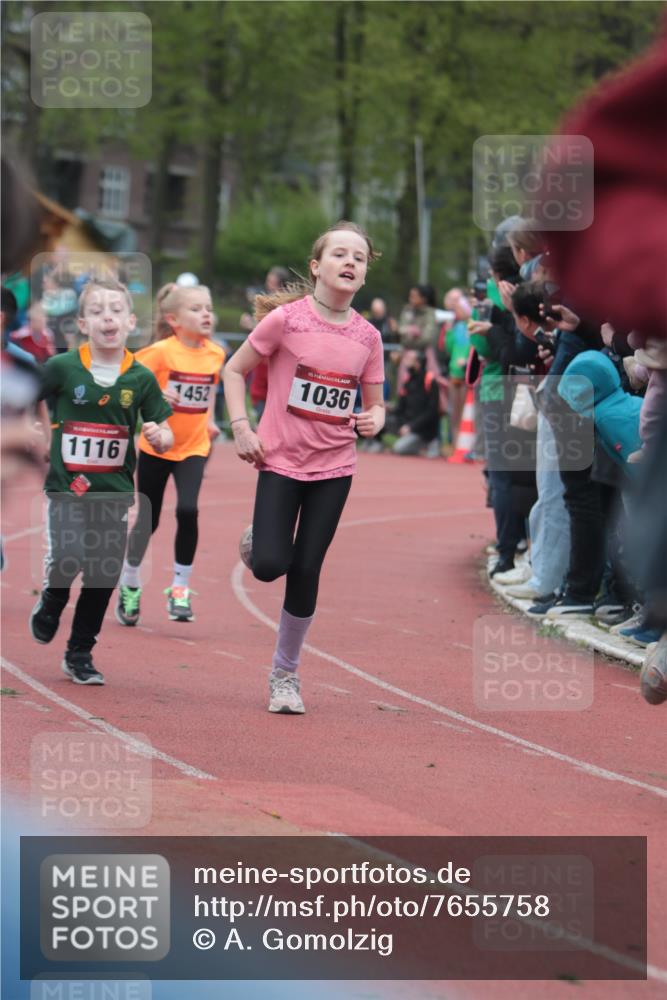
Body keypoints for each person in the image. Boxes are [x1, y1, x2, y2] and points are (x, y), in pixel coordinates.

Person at [223, 221, 385, 714]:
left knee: (307, 568)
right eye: (339, 253)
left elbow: (377, 404)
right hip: (279, 460)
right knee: (270, 565)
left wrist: (375, 418)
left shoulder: (369, 337)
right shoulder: (286, 321)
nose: (349, 262)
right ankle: (260, 540)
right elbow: (234, 370)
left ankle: (285, 674)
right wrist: (241, 428)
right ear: (317, 266)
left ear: (364, 275)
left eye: (358, 257)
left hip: (335, 467)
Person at [29, 278, 173, 685]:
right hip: (68, 488)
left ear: (131, 322)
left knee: (103, 573)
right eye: (96, 311)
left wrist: (160, 436)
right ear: (82, 323)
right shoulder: (63, 367)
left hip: (113, 492)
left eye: (116, 310)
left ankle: (79, 652)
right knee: (69, 555)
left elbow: (163, 428)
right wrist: (35, 430)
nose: (107, 317)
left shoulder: (140, 378)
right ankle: (53, 598)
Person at [117, 283, 225, 625]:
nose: (206, 314)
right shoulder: (161, 353)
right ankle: (130, 582)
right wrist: (156, 394)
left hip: (194, 446)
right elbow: (125, 383)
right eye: (196, 309)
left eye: (208, 308)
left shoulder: (216, 354)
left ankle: (180, 588)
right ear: (173, 320)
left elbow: (209, 390)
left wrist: (210, 420)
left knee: (188, 509)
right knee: (148, 520)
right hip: (157, 447)